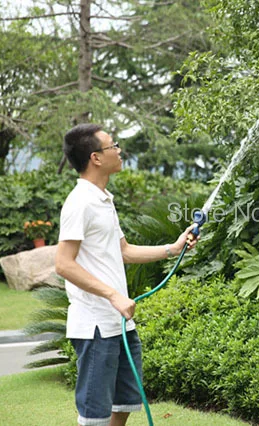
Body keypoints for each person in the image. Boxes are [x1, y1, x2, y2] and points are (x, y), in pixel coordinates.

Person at [55, 123, 198, 426]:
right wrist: (113, 294)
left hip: (118, 324)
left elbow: (124, 251)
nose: (119, 151)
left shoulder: (104, 199)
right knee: (95, 414)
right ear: (95, 157)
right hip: (95, 325)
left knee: (124, 403)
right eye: (113, 146)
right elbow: (64, 264)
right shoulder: (79, 203)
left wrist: (172, 249)